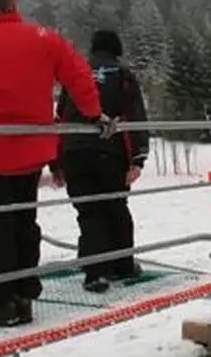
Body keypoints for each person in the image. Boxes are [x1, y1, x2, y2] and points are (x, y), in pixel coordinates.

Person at [0, 0, 108, 327]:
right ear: (15, 4)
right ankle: (24, 291)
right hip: (33, 148)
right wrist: (93, 113)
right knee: (23, 220)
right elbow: (78, 74)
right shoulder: (44, 38)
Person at [52, 30, 149, 294]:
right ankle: (121, 264)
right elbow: (134, 116)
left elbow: (61, 117)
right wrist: (138, 157)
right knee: (115, 206)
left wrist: (56, 160)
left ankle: (95, 269)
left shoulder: (76, 73)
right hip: (110, 152)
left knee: (89, 211)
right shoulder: (123, 75)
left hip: (74, 151)